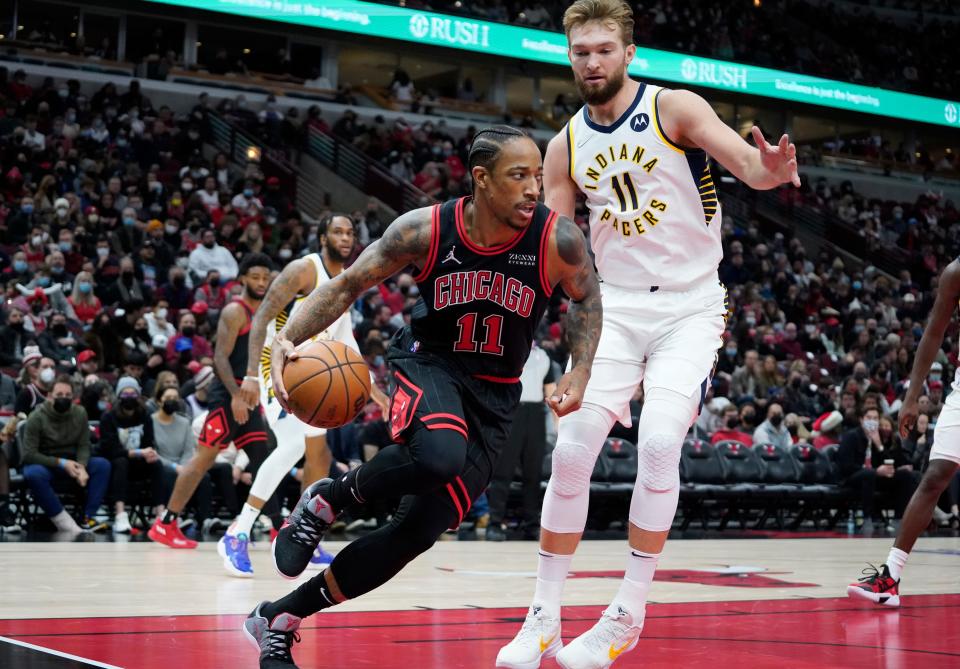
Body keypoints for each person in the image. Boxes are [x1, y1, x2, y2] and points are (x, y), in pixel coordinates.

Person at [498, 2, 802, 666]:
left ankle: (627, 611)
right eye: (580, 51)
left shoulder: (675, 109)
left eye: (604, 49)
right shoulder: (565, 145)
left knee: (660, 442)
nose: (592, 62)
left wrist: (769, 170)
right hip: (616, 308)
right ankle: (543, 615)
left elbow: (746, 167)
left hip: (691, 305)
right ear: (569, 55)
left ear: (629, 53)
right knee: (573, 448)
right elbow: (559, 251)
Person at [241, 125, 601, 668]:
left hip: (496, 396)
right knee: (438, 454)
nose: (534, 188)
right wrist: (289, 339)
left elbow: (587, 299)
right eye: (518, 176)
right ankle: (331, 498)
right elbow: (345, 286)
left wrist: (581, 367)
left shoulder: (558, 240)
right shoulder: (426, 229)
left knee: (416, 531)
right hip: (429, 363)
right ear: (481, 179)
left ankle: (281, 615)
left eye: (537, 175)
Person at [219, 214, 389, 577]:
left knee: (317, 453)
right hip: (277, 366)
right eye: (338, 232)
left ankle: (296, 535)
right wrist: (251, 375)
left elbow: (346, 342)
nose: (345, 238)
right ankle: (238, 531)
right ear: (322, 236)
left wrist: (376, 392)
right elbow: (262, 317)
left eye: (350, 232)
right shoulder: (304, 269)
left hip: (313, 374)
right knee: (295, 446)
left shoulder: (349, 279)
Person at [848, 257, 960, 607]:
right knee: (935, 475)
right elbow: (934, 331)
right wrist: (912, 396)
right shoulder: (956, 272)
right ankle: (890, 579)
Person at [148, 254, 274, 549]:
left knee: (262, 461)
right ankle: (165, 523)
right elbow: (219, 359)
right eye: (255, 277)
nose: (260, 282)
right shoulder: (235, 310)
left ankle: (278, 526)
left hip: (248, 396)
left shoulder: (263, 313)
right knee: (202, 460)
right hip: (228, 399)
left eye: (265, 278)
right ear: (242, 278)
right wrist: (235, 396)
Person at [486, 341, 558, 541]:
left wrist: (558, 423)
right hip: (511, 411)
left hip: (535, 413)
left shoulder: (543, 356)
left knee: (533, 474)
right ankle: (494, 523)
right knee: (503, 471)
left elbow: (551, 390)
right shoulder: (506, 349)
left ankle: (532, 524)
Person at [21, 376, 111, 534]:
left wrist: (82, 466)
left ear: (73, 397)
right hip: (46, 462)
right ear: (49, 396)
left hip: (74, 461)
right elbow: (29, 454)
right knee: (33, 473)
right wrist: (62, 463)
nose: (64, 398)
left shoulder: (80, 413)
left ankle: (88, 517)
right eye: (59, 394)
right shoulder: (36, 417)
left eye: (67, 395)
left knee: (102, 465)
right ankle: (62, 521)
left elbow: (84, 444)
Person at [100, 377, 164, 534]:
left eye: (133, 394)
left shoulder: (145, 415)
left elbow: (149, 442)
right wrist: (138, 452)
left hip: (139, 462)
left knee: (156, 464)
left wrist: (149, 452)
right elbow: (110, 449)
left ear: (138, 395)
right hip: (117, 462)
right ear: (119, 396)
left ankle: (160, 515)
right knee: (121, 462)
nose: (129, 397)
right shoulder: (108, 417)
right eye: (125, 394)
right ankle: (120, 514)